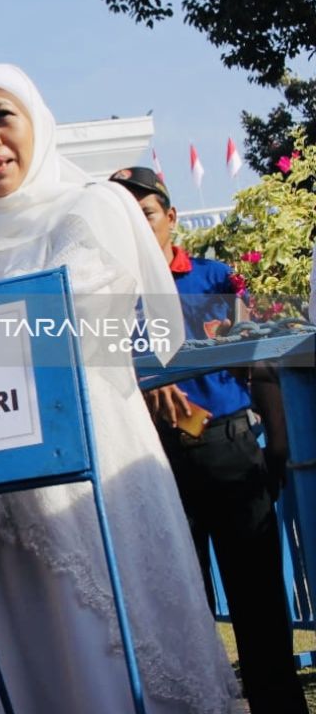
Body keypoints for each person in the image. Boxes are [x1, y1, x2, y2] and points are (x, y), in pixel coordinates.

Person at [0, 64, 239, 713]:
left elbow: (70, 319)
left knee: (111, 662)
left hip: (87, 490)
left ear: (36, 120)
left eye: (2, 114)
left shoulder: (93, 206)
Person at [109, 166, 307, 714]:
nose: (136, 227)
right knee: (179, 603)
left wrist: (279, 449)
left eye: (145, 214)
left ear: (171, 218)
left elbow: (260, 362)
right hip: (153, 463)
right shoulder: (108, 296)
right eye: (123, 217)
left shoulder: (214, 280)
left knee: (260, 603)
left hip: (229, 448)